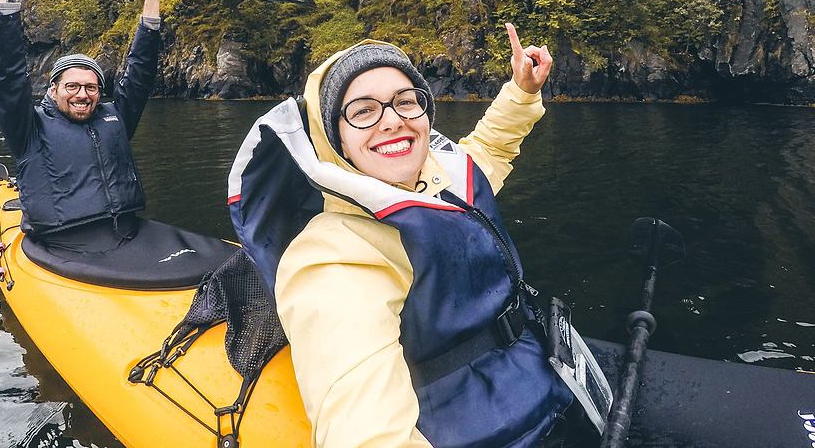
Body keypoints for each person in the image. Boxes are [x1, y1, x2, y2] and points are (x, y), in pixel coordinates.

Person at [228, 25, 595, 447]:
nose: (392, 121)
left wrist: (521, 91)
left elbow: (487, 149)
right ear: (338, 142)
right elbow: (364, 432)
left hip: (537, 381)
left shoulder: (441, 177)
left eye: (405, 102)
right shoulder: (332, 259)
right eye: (363, 111)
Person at [0, 0, 162, 248]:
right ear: (53, 90)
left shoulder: (116, 117)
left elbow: (141, 70)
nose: (83, 94)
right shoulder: (28, 129)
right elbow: (6, 68)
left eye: (91, 87)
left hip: (128, 233)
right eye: (72, 86)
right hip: (61, 246)